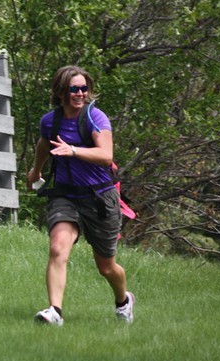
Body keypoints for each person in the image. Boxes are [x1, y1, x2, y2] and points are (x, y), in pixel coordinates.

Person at [27, 65, 135, 326]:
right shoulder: (50, 121)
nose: (80, 93)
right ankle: (55, 312)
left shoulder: (95, 117)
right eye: (74, 89)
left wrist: (73, 150)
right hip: (65, 195)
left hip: (99, 198)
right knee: (57, 248)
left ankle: (123, 301)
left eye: (83, 88)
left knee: (106, 267)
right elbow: (44, 143)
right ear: (61, 92)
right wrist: (36, 170)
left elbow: (106, 155)